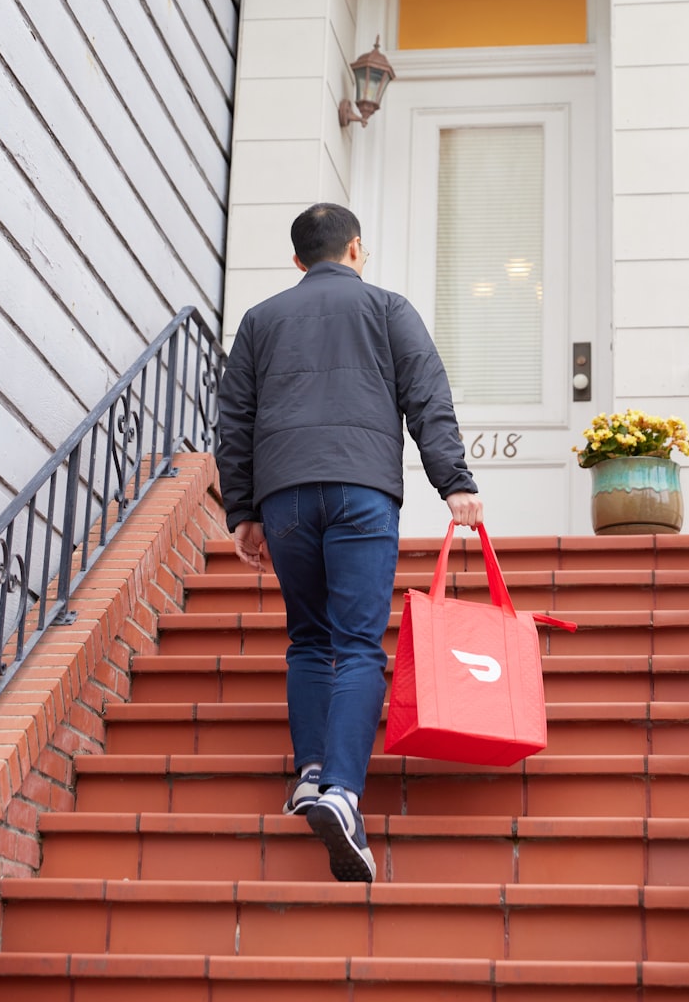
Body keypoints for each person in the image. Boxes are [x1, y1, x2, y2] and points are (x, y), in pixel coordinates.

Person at [215, 202, 483, 884]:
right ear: (355, 249)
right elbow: (428, 396)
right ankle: (341, 789)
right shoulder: (389, 310)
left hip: (286, 498)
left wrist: (242, 509)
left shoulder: (260, 320)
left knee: (308, 636)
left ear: (299, 259)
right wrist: (453, 482)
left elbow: (235, 419)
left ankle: (310, 775)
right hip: (362, 490)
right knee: (358, 642)